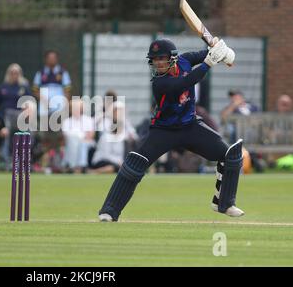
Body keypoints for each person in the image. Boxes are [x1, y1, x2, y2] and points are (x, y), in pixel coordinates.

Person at [98, 38, 245, 222]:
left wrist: (215, 47)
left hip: (190, 126)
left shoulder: (185, 60)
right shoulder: (159, 83)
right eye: (155, 59)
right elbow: (183, 83)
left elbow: (205, 53)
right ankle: (109, 211)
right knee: (135, 163)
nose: (158, 63)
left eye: (162, 58)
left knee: (230, 155)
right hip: (163, 130)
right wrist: (209, 62)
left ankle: (224, 203)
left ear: (173, 58)